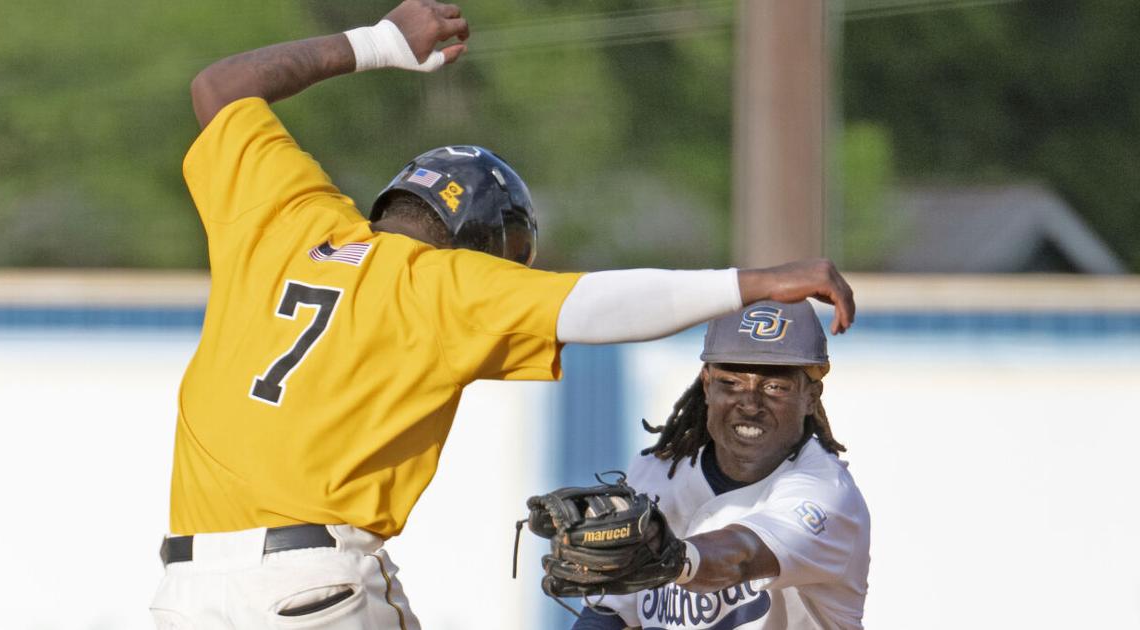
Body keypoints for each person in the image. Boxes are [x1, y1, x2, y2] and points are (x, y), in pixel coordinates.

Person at [150, 1, 857, 628]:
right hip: (312, 589)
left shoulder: (291, 224)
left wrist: (380, 42)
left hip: (184, 590)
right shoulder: (447, 282)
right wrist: (757, 280)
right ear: (484, 242)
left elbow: (218, 87)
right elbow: (602, 304)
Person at [570, 301, 871, 630]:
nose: (751, 404)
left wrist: (668, 554)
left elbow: (740, 556)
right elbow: (611, 613)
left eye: (775, 386)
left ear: (811, 397)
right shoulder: (655, 471)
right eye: (731, 382)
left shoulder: (827, 493)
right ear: (707, 384)